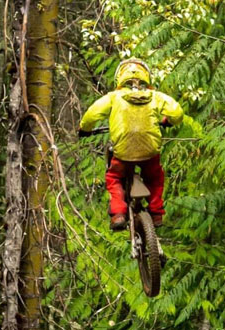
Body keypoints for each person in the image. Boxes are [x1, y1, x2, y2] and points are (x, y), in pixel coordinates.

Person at [79, 58, 184, 230]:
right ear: (146, 78)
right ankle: (156, 213)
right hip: (149, 153)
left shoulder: (113, 98)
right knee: (155, 177)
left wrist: (84, 128)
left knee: (114, 178)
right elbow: (177, 112)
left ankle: (119, 214)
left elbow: (92, 114)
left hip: (123, 153)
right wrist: (168, 121)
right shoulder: (155, 97)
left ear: (120, 78)